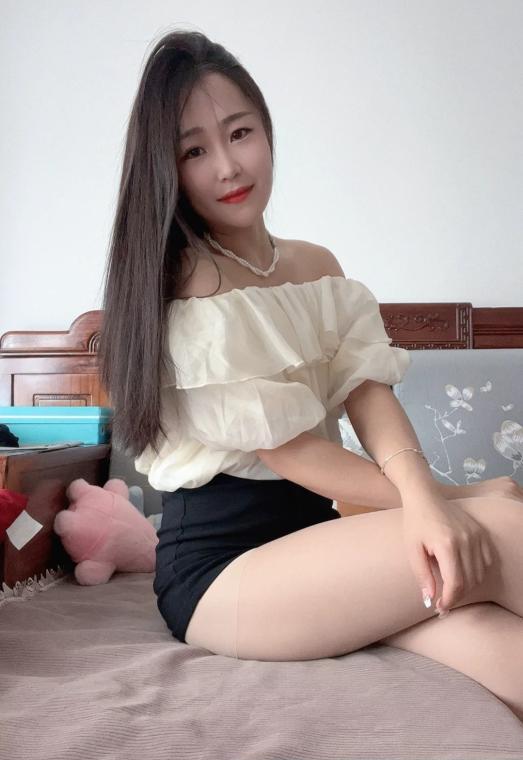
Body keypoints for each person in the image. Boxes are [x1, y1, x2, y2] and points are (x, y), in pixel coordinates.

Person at [98, 29, 523, 720]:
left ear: (267, 131)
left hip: (320, 544)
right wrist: (455, 498)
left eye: (240, 133)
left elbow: (367, 394)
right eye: (194, 151)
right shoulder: (192, 283)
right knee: (503, 529)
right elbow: (290, 450)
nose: (228, 167)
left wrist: (431, 498)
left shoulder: (317, 267)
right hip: (224, 574)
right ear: (165, 169)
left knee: (501, 649)